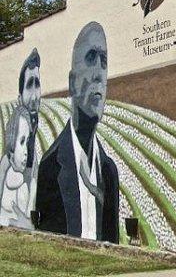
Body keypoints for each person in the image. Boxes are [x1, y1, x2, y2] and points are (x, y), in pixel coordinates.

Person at [36, 22, 119, 243]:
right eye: (91, 58)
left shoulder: (109, 171)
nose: (99, 74)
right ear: (72, 82)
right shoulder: (51, 165)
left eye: (104, 62)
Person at [0, 49, 41, 228]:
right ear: (19, 96)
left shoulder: (35, 160)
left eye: (37, 85)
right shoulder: (6, 162)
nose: (34, 96)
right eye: (29, 85)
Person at [0, 106, 33, 229]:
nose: (26, 151)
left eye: (27, 141)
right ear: (12, 141)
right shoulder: (5, 166)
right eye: (22, 141)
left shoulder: (26, 175)